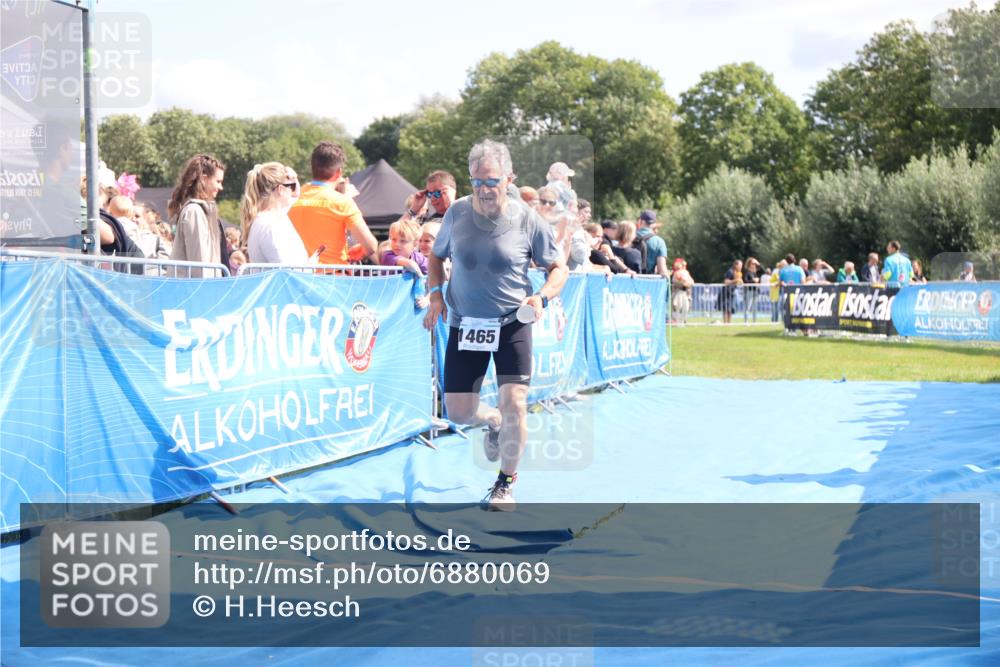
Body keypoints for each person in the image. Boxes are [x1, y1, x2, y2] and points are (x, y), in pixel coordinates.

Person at [423, 139, 567, 511]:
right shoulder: (456, 213)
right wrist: (436, 295)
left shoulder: (527, 219)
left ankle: (505, 483)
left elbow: (558, 268)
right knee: (458, 412)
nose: (485, 190)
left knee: (515, 402)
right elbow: (435, 258)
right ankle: (493, 420)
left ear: (509, 179)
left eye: (492, 181)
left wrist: (542, 297)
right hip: (465, 323)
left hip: (511, 323)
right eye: (477, 182)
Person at [288, 142, 377, 265]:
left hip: (299, 273)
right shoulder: (343, 203)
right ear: (338, 172)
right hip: (333, 274)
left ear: (312, 168)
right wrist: (357, 252)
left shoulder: (292, 198)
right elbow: (371, 246)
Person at [168, 153, 228, 277]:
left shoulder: (200, 211)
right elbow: (199, 262)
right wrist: (206, 286)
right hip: (196, 286)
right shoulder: (194, 212)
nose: (221, 187)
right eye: (218, 181)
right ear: (204, 179)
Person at [240, 162, 309, 264]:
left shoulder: (272, 218)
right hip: (287, 275)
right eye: (291, 187)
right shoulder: (270, 225)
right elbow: (284, 267)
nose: (293, 191)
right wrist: (309, 266)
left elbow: (296, 195)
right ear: (280, 189)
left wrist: (294, 178)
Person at [635, 210, 669, 277]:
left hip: (628, 279)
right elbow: (662, 270)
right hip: (648, 280)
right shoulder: (659, 242)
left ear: (641, 221)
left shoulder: (630, 237)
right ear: (654, 224)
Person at [718, 259, 743, 324]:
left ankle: (729, 323)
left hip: (732, 293)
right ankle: (725, 323)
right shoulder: (730, 271)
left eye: (741, 266)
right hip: (726, 293)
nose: (741, 267)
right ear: (735, 265)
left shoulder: (738, 273)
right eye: (740, 266)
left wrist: (740, 281)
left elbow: (739, 282)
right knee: (725, 309)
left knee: (730, 309)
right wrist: (735, 280)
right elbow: (725, 281)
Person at [671, 258, 694, 325]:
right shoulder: (676, 273)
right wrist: (682, 283)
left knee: (686, 307)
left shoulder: (686, 272)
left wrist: (687, 283)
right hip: (677, 293)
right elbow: (675, 282)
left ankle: (682, 321)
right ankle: (677, 321)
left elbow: (692, 282)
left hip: (684, 293)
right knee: (677, 307)